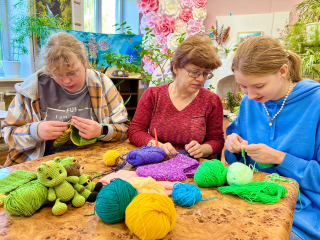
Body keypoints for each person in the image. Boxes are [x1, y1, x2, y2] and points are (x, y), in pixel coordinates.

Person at [225, 36, 320, 240]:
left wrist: (281, 159)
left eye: (258, 86)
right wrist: (232, 147)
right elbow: (239, 164)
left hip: (303, 213)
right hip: (252, 198)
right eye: (243, 86)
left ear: (283, 71)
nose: (250, 95)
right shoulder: (249, 103)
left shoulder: (316, 104)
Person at [1, 32, 129, 168]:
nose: (66, 81)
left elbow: (125, 130)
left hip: (90, 163)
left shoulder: (102, 84)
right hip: (42, 167)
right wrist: (35, 131)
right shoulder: (32, 88)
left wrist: (102, 131)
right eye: (57, 75)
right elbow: (9, 135)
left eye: (73, 73)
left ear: (84, 63)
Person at [127, 35, 225, 159]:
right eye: (194, 72)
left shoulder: (211, 101)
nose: (201, 79)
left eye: (205, 74)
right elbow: (135, 131)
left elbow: (217, 141)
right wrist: (157, 145)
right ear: (175, 67)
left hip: (194, 169)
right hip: (157, 161)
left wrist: (202, 149)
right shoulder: (153, 95)